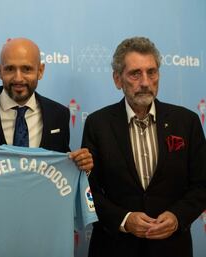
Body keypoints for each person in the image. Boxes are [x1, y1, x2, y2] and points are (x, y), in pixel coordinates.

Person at [81, 36, 206, 257]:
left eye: (152, 72)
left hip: (172, 248)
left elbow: (202, 184)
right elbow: (88, 190)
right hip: (114, 248)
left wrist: (177, 216)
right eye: (135, 74)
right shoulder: (97, 124)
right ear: (117, 79)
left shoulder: (187, 122)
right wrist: (125, 220)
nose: (146, 82)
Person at [0, 37, 93, 172]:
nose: (18, 78)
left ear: (40, 71)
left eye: (26, 69)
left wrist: (79, 165)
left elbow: (61, 168)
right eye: (10, 69)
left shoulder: (58, 114)